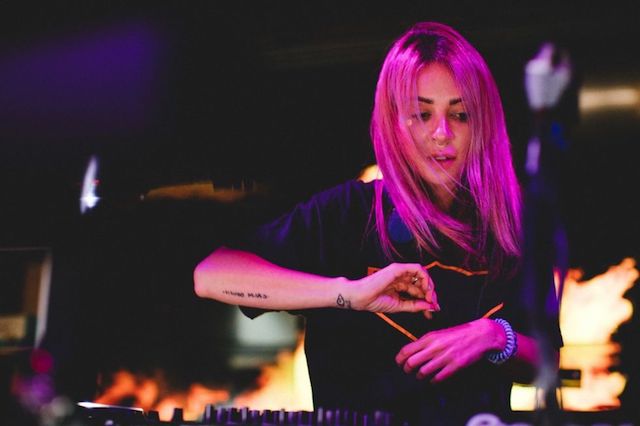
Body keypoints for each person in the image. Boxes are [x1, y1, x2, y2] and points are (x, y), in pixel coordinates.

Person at [194, 22, 562, 425]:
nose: (442, 133)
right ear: (393, 121)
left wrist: (495, 336)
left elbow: (546, 364)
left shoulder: (514, 224)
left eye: (460, 114)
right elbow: (211, 276)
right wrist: (349, 294)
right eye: (422, 114)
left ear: (483, 123)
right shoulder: (349, 213)